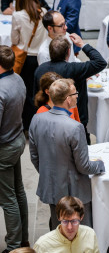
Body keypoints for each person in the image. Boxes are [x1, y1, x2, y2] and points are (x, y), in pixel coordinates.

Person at [29, 79, 105, 229]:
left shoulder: (36, 119)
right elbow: (84, 166)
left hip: (51, 187)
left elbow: (34, 156)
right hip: (74, 192)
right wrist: (100, 164)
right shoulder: (75, 127)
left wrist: (49, 174)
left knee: (58, 231)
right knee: (80, 233)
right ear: (68, 99)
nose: (77, 96)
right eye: (75, 93)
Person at [34, 35, 107, 144]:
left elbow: (35, 94)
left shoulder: (40, 69)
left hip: (46, 120)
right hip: (73, 120)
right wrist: (83, 45)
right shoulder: (74, 69)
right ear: (69, 52)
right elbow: (101, 62)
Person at [0, 46, 29, 252]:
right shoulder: (18, 79)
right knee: (19, 192)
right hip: (17, 140)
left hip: (4, 148)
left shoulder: (0, 89)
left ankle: (12, 247)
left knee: (7, 199)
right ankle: (23, 240)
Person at [11, 0, 48, 131]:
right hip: (41, 57)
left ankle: (28, 125)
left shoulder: (17, 15)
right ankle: (41, 123)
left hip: (26, 59)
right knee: (40, 91)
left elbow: (14, 39)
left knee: (27, 95)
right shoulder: (43, 12)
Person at [33, 196, 100, 253]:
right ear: (58, 218)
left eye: (74, 221)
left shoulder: (90, 234)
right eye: (65, 221)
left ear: (81, 217)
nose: (69, 227)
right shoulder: (42, 246)